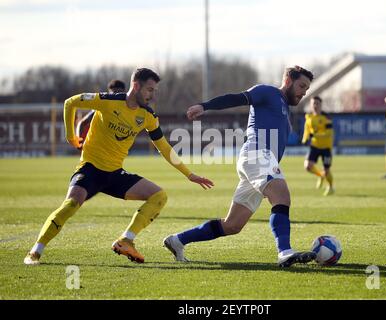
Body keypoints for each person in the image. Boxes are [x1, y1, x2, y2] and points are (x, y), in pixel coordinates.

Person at [24, 68, 214, 265]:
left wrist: (189, 174)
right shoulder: (107, 101)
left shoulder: (147, 115)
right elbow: (70, 103)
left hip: (114, 174)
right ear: (136, 86)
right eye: (149, 89)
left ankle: (126, 240)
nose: (152, 95)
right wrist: (70, 136)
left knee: (159, 196)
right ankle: (35, 252)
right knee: (71, 204)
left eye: (154, 90)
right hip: (90, 169)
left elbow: (164, 147)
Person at [163, 66, 317, 268]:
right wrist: (204, 106)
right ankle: (285, 252)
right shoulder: (268, 92)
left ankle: (177, 240)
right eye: (301, 86)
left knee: (232, 225)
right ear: (288, 81)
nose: (304, 92)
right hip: (256, 154)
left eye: (306, 88)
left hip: (259, 160)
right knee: (282, 196)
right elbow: (236, 98)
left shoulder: (283, 107)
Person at [75, 79, 126, 148]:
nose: (116, 96)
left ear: (124, 92)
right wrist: (79, 140)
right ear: (109, 93)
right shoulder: (101, 107)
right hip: (97, 148)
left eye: (118, 93)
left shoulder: (131, 107)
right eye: (113, 93)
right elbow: (82, 122)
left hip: (116, 150)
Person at [301, 96, 334, 196]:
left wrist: (315, 135)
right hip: (314, 145)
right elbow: (307, 130)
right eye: (313, 104)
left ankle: (331, 187)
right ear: (311, 105)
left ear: (320, 105)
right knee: (307, 166)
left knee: (327, 170)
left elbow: (328, 133)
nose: (315, 105)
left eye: (317, 103)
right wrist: (304, 139)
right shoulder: (309, 117)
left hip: (326, 147)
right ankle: (320, 175)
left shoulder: (326, 118)